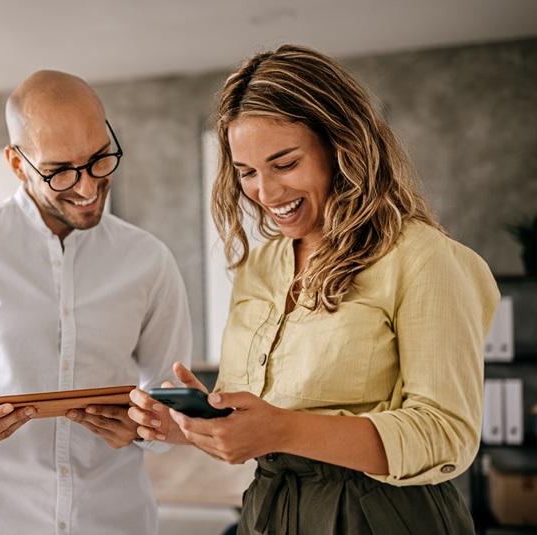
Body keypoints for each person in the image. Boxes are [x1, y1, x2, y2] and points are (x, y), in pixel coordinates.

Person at [129, 44, 500, 534]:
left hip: (385, 516)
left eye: (284, 163)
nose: (266, 192)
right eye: (246, 173)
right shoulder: (258, 267)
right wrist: (195, 425)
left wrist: (283, 428)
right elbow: (257, 416)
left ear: (340, 144)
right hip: (270, 511)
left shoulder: (422, 258)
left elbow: (446, 435)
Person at [0, 69, 193, 535]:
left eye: (99, 159)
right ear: (16, 163)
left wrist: (149, 427)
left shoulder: (150, 260)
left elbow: (174, 399)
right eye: (60, 172)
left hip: (116, 520)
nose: (88, 189)